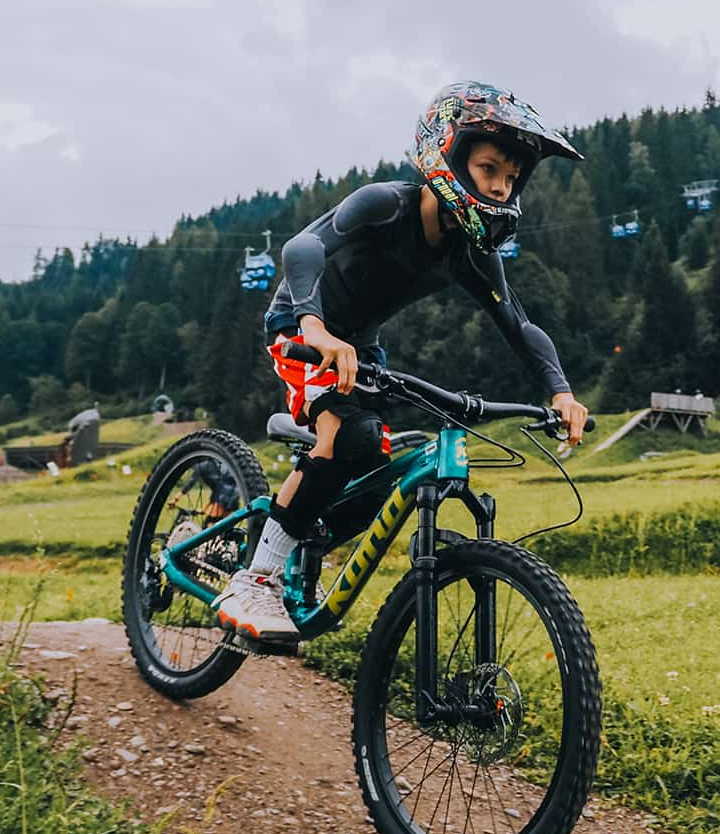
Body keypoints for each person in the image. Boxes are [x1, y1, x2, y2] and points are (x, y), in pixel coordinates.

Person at [212, 82, 590, 644]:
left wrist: (560, 392)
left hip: (361, 347)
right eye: (490, 169)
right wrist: (313, 329)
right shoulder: (385, 204)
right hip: (303, 325)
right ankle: (257, 578)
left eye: (511, 179)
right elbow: (302, 249)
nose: (501, 187)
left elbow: (518, 323)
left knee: (383, 470)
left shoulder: (471, 254)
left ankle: (303, 545)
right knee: (353, 437)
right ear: (448, 153)